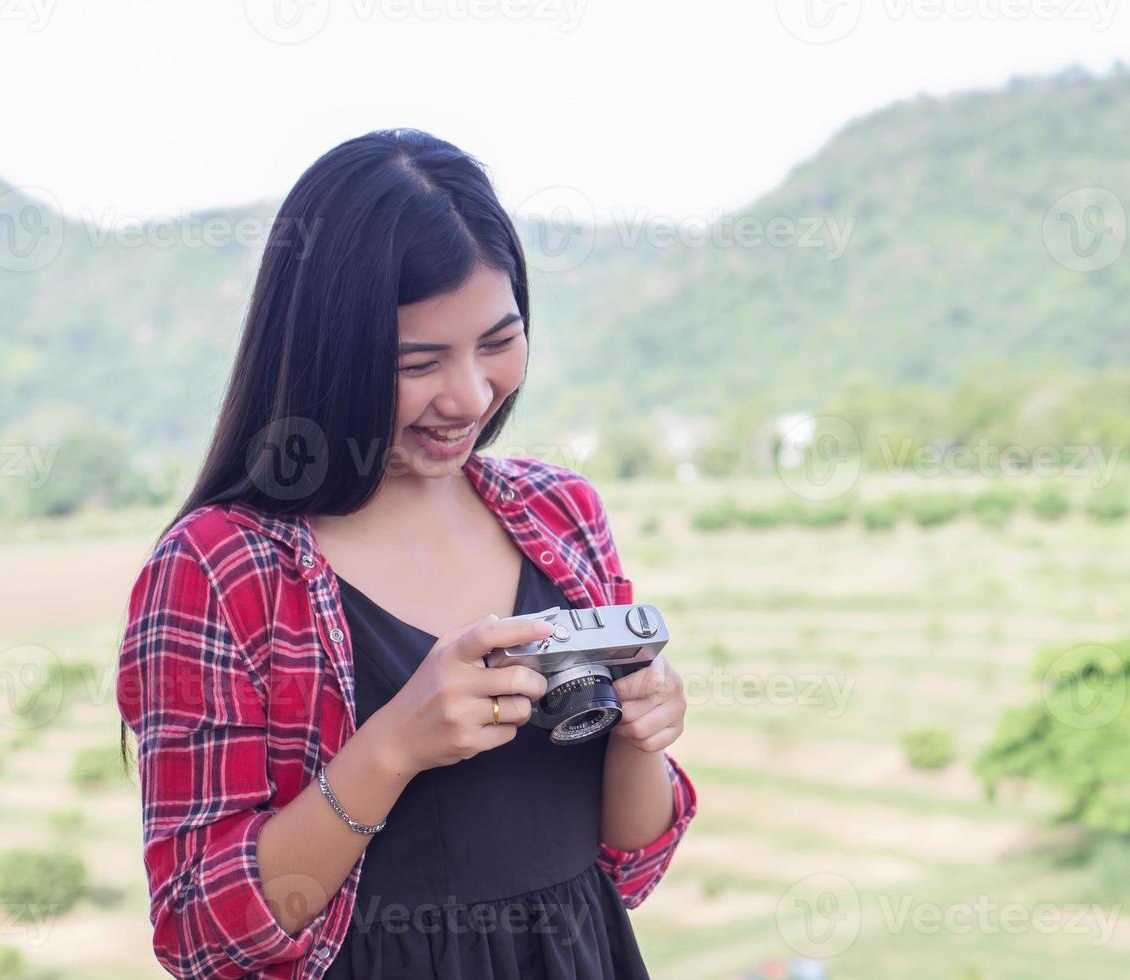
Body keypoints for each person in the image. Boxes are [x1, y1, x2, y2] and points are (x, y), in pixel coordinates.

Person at [115, 129, 697, 980]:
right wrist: (393, 746)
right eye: (417, 361)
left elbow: (625, 862)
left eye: (498, 341)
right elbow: (203, 929)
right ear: (327, 352)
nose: (469, 394)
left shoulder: (558, 511)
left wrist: (640, 735)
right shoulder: (221, 567)